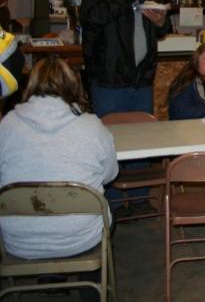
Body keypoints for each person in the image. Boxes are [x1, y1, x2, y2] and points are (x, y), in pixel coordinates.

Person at [0, 57, 118, 261]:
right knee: (102, 207)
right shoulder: (92, 127)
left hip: (19, 239)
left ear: (31, 83)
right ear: (74, 84)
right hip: (81, 236)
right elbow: (110, 175)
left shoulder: (7, 125)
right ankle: (92, 282)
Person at [80, 0, 170, 117]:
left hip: (142, 81)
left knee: (142, 136)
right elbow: (91, 18)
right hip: (109, 81)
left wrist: (161, 22)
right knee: (110, 136)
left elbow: (163, 30)